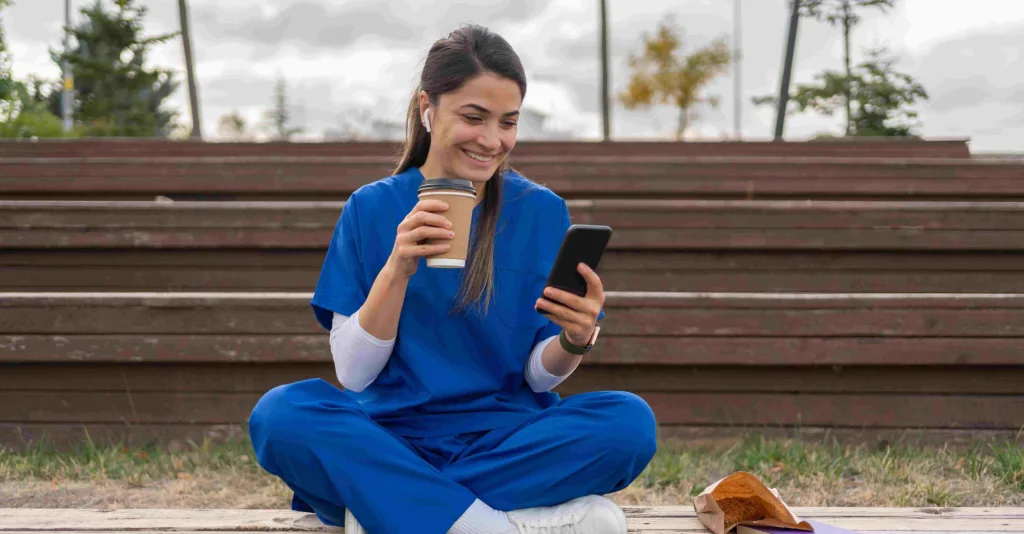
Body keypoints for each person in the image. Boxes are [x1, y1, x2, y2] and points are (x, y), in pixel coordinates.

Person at [248, 24, 657, 534]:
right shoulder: (370, 208)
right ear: (428, 107)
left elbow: (536, 375)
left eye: (508, 122)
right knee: (281, 415)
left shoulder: (541, 211)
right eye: (473, 117)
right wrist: (397, 267)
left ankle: (394, 507)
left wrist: (574, 340)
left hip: (508, 436)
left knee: (629, 423)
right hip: (392, 434)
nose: (492, 141)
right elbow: (354, 375)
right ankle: (494, 524)